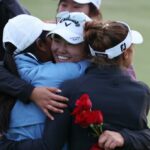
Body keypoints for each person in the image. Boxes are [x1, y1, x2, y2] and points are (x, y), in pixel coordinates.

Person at [1, 12, 91, 142]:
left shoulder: (11, 68)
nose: (60, 48)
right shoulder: (52, 73)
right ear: (41, 45)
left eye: (70, 42)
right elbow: (91, 65)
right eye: (54, 39)